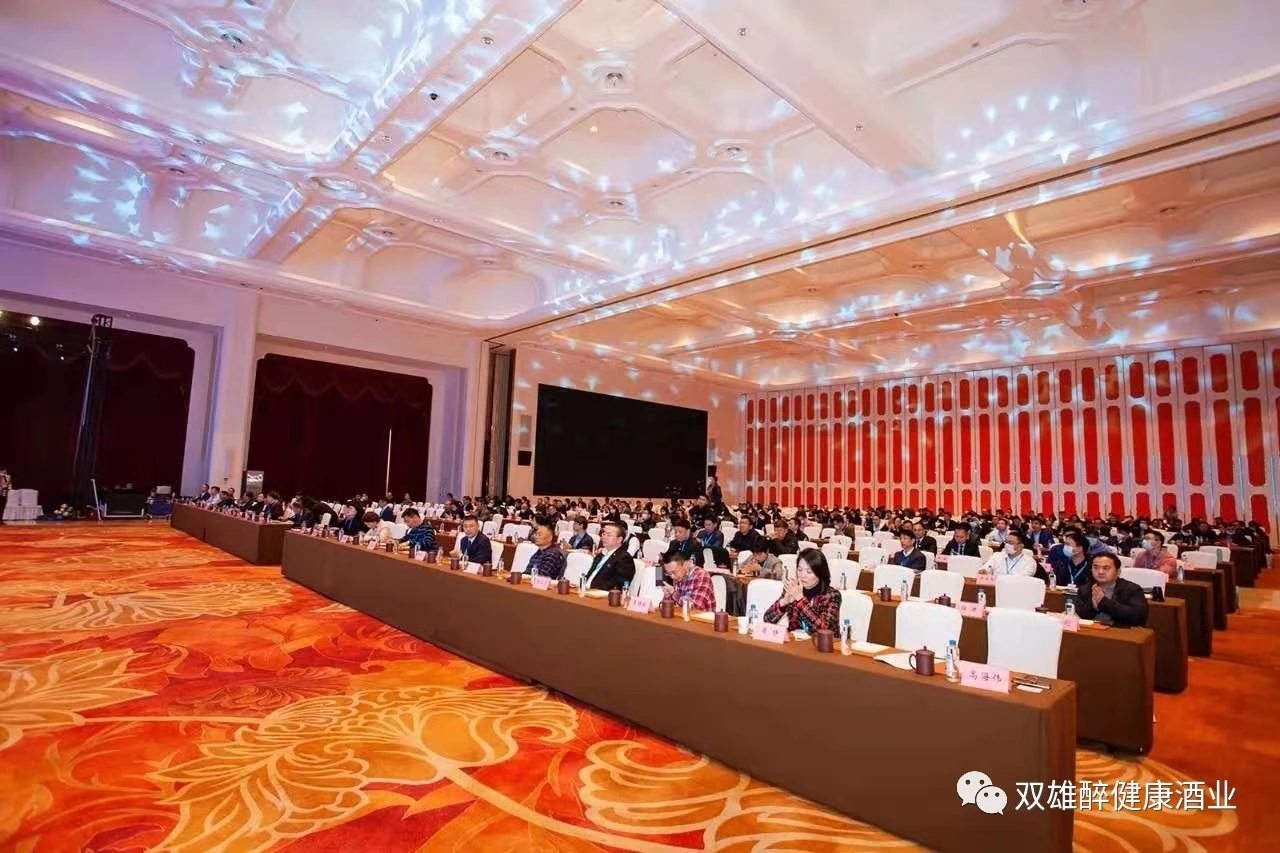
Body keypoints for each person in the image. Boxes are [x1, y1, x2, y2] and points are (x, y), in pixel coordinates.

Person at [762, 548, 842, 632]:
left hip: (820, 640)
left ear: (820, 573)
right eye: (799, 570)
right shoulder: (794, 589)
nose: (803, 575)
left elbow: (824, 630)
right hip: (795, 639)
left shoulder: (832, 595)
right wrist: (784, 602)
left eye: (809, 571)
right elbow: (767, 620)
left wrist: (800, 600)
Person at [1073, 552, 1149, 627]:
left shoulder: (1132, 589)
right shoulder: (1085, 589)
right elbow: (1078, 616)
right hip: (1090, 631)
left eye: (1106, 568)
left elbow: (1138, 617)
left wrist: (1104, 602)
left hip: (1120, 632)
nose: (1100, 572)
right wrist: (1092, 606)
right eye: (1096, 568)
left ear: (1118, 572)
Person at [582, 521, 635, 590]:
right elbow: (590, 575)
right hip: (585, 589)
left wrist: (592, 590)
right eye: (603, 534)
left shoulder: (624, 558)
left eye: (609, 535)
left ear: (619, 539)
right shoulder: (601, 554)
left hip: (600, 593)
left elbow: (618, 585)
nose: (604, 537)